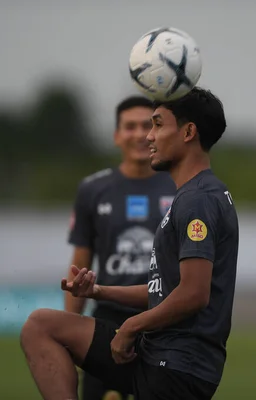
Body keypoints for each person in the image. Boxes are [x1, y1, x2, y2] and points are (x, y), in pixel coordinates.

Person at [20, 87, 239, 400]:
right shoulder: (195, 194)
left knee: (41, 326)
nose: (148, 136)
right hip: (160, 353)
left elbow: (193, 294)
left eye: (157, 125)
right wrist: (99, 291)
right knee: (41, 325)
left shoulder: (197, 201)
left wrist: (131, 326)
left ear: (189, 132)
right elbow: (163, 290)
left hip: (176, 366)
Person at [65, 96, 176, 400]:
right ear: (116, 135)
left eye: (148, 125)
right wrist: (72, 334)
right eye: (130, 126)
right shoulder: (92, 189)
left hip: (163, 320)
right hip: (108, 320)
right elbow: (79, 267)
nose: (139, 134)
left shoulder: (179, 185)